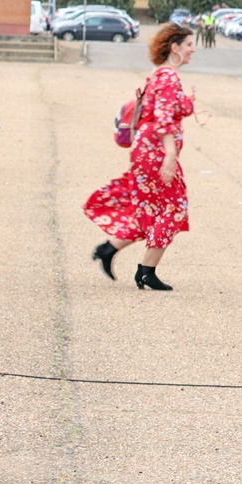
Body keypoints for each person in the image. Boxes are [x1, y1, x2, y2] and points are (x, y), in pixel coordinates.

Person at [85, 23, 196, 291]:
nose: (193, 51)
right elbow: (163, 119)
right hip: (156, 151)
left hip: (147, 148)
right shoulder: (168, 77)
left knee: (151, 207)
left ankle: (111, 251)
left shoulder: (160, 74)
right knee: (172, 208)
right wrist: (170, 154)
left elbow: (161, 112)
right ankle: (145, 270)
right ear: (175, 48)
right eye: (190, 45)